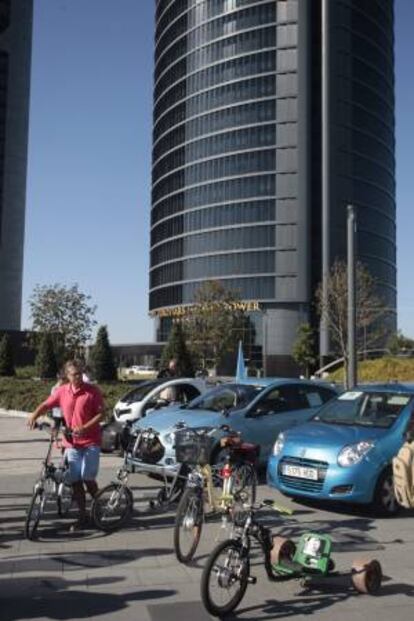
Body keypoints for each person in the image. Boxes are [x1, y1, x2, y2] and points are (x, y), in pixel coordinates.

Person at [27, 359, 104, 531]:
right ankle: (82, 516)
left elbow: (101, 414)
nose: (77, 377)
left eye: (79, 373)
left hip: (91, 441)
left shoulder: (92, 391)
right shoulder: (62, 391)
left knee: (88, 478)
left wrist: (85, 427)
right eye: (73, 374)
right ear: (67, 376)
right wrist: (34, 415)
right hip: (71, 443)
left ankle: (99, 508)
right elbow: (47, 404)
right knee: (75, 479)